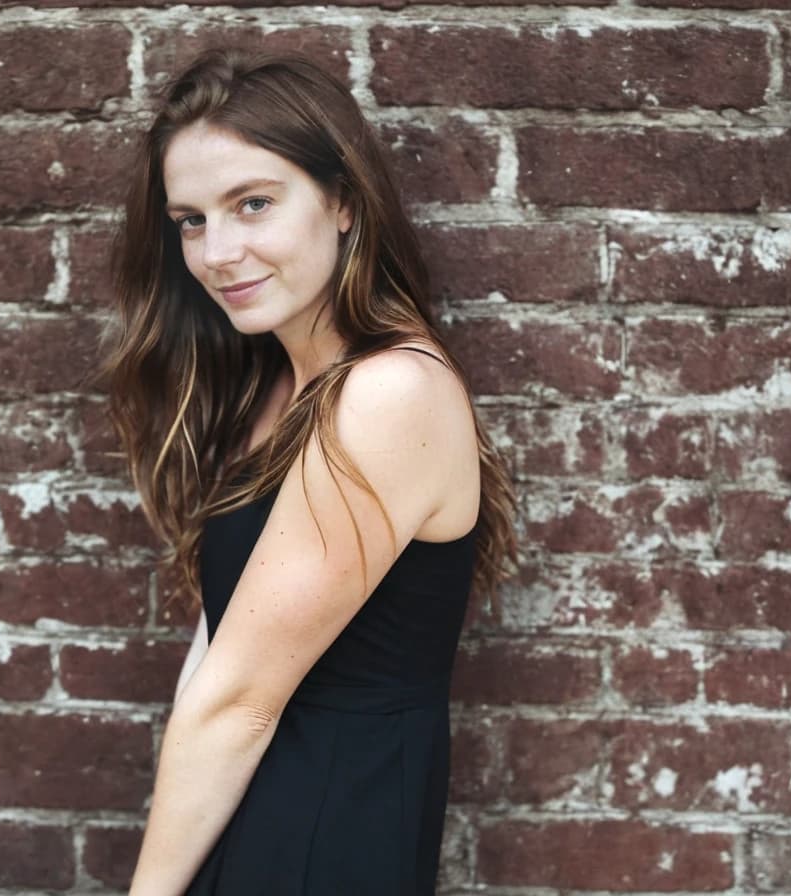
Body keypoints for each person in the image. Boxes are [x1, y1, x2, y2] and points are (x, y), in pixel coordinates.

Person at [105, 48, 518, 896]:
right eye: (190, 220)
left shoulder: (389, 394)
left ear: (341, 202)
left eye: (253, 204)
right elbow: (220, 656)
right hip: (252, 814)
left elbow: (241, 703)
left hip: (325, 839)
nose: (218, 251)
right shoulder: (280, 386)